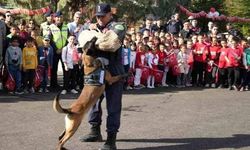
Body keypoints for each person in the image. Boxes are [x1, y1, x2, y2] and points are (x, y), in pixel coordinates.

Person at [79, 3, 126, 150]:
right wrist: (94, 37)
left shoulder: (119, 26)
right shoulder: (90, 27)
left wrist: (92, 41)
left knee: (113, 105)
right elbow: (80, 38)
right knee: (93, 101)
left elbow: (111, 44)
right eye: (97, 16)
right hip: (96, 69)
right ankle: (94, 131)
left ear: (110, 15)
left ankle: (111, 139)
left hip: (113, 68)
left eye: (102, 16)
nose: (99, 19)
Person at [49, 11, 69, 88]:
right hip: (55, 51)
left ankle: (65, 85)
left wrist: (63, 48)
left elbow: (68, 39)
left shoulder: (66, 27)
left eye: (60, 17)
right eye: (57, 17)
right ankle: (53, 85)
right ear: (54, 18)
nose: (59, 18)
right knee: (54, 69)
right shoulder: (51, 27)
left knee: (65, 68)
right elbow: (50, 39)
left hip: (64, 51)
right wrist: (56, 49)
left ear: (62, 18)